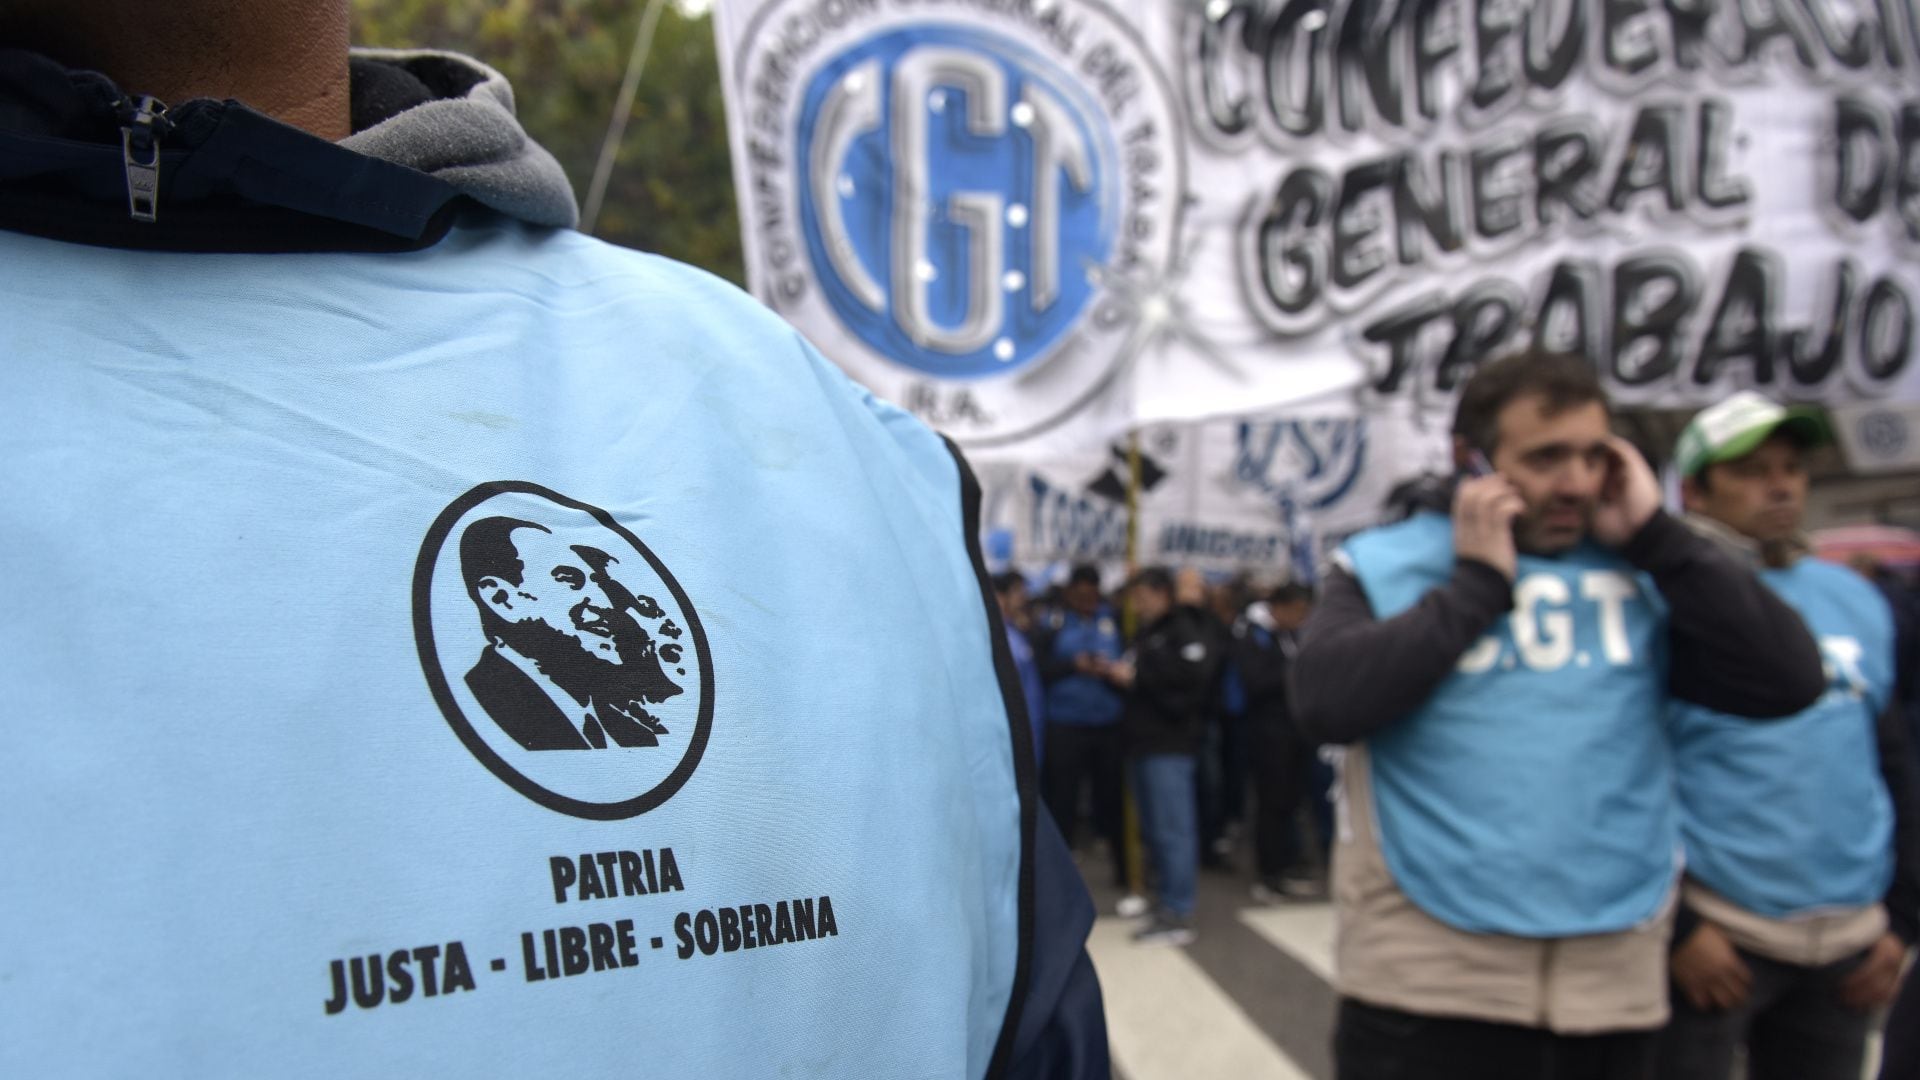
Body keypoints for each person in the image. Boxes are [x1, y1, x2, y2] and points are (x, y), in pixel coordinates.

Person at [0, 5, 1107, 1077]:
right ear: (505, 612)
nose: (622, 605)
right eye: (576, 585)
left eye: (608, 578)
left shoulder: (829, 428)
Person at [1292, 350, 1827, 1080]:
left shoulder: (1642, 570)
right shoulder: (1384, 563)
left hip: (1612, 980)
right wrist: (1478, 584)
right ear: (1469, 458)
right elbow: (1326, 702)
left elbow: (1788, 678)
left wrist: (1656, 538)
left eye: (1593, 455)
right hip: (1432, 978)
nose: (1575, 482)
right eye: (1545, 458)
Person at [1656, 392, 1920, 1080]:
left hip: (1850, 941)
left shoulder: (1854, 597)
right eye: (1749, 471)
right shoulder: (1660, 600)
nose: (1778, 485)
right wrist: (1678, 927)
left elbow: (1890, 760)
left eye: (1792, 468)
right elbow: (1624, 774)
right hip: (1721, 936)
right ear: (1695, 491)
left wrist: (1902, 921)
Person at [462, 514, 681, 750]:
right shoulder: (487, 698)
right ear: (502, 598)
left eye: (597, 584)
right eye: (569, 580)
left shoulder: (623, 720)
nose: (608, 606)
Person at [1110, 566, 1221, 945]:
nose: (1136, 603)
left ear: (1160, 593)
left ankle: (1178, 911)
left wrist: (1138, 679)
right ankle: (1164, 900)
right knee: (1156, 830)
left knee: (1174, 830)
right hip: (1142, 743)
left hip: (1169, 745)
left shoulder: (1182, 628)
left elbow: (1192, 682)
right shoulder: (1147, 631)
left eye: (1141, 594)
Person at [1035, 564, 1135, 905]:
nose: (1086, 600)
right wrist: (1073, 666)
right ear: (1069, 592)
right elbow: (1039, 669)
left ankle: (1127, 873)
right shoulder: (1053, 622)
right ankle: (1058, 881)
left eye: (1092, 594)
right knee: (1063, 802)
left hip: (1108, 725)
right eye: (1080, 594)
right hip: (1066, 725)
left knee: (1113, 800)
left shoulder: (1116, 619)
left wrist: (1109, 672)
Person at [1240, 582, 1322, 902]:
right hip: (1267, 733)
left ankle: (1288, 864)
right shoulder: (1255, 635)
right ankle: (1268, 873)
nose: (1301, 618)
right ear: (1280, 607)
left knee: (1291, 802)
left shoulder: (1291, 636)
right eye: (1297, 611)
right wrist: (1296, 669)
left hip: (1295, 730)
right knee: (1271, 804)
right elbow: (1255, 682)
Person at [994, 570, 1046, 766]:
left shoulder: (1018, 632)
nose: (1023, 599)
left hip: (1030, 731)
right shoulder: (998, 638)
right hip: (1013, 736)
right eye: (1018, 593)